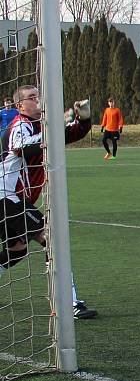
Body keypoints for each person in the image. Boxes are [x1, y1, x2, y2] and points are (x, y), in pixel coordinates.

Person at [0, 86, 97, 318]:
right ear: (19, 106)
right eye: (31, 98)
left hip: (11, 198)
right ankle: (67, 303)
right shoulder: (20, 124)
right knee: (52, 239)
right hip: (6, 197)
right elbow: (22, 147)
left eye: (38, 96)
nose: (38, 100)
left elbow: (69, 134)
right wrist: (55, 126)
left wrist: (83, 120)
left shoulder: (40, 126)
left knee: (17, 250)